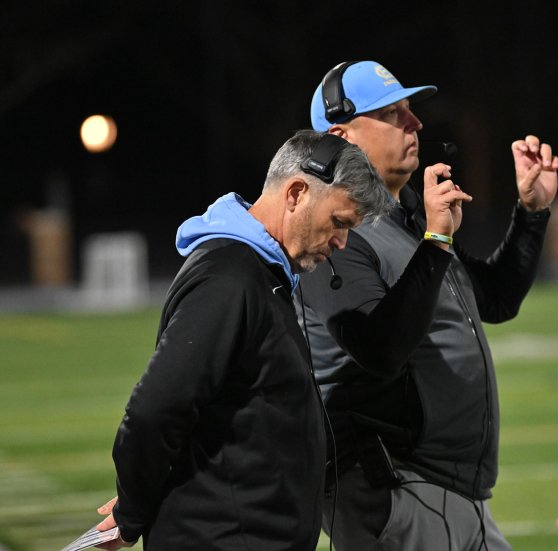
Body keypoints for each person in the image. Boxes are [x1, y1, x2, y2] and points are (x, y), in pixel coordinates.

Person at [299, 60, 558, 550]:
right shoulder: (333, 231)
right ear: (343, 135)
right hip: (395, 487)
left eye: (410, 109)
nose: (415, 122)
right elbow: (379, 348)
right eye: (392, 113)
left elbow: (495, 299)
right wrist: (437, 238)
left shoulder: (405, 219)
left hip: (442, 489)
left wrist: (532, 212)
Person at [90, 129, 390, 550]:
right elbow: (154, 411)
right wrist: (132, 511)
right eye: (339, 223)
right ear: (296, 193)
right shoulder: (230, 278)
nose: (341, 243)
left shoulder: (258, 273)